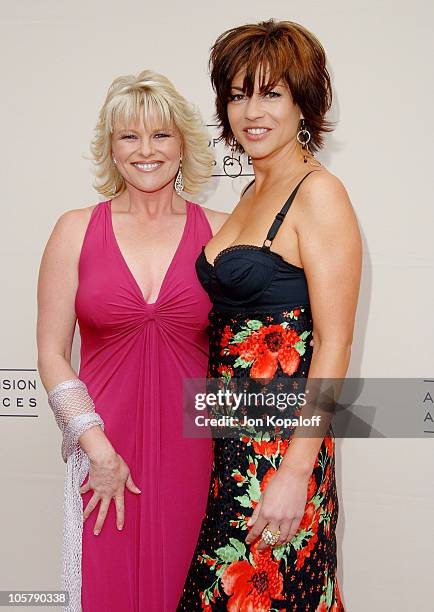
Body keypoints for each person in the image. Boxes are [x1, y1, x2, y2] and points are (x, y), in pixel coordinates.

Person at [178, 20, 361, 611]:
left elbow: (333, 346)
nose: (251, 110)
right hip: (229, 442)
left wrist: (295, 473)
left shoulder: (318, 193)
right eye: (237, 94)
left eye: (270, 92)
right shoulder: (251, 192)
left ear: (303, 102)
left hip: (279, 451)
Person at [37, 69, 227, 611]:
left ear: (184, 144)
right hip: (103, 451)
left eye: (161, 135)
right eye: (130, 136)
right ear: (111, 149)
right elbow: (52, 352)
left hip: (198, 454)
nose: (147, 150)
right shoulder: (75, 228)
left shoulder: (224, 231)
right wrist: (95, 450)